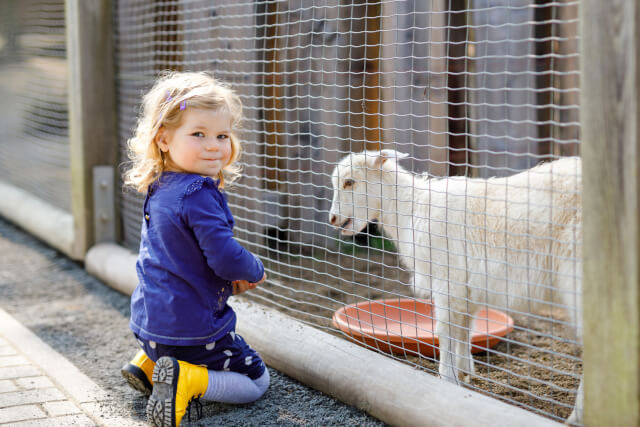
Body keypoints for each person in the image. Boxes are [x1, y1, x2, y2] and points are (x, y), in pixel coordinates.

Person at [120, 71, 269, 427]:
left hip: (148, 325)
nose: (214, 145)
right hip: (192, 333)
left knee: (170, 336)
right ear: (164, 139)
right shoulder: (198, 193)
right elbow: (224, 256)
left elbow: (180, 255)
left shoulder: (161, 185)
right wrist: (254, 269)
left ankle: (148, 365)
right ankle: (190, 379)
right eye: (198, 134)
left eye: (222, 135)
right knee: (256, 381)